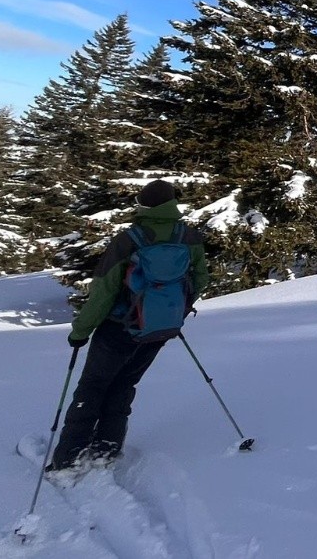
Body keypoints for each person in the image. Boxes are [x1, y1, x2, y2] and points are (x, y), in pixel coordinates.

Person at [49, 179, 209, 471]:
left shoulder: (129, 239)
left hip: (119, 327)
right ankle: (107, 448)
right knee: (124, 384)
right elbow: (200, 280)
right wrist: (173, 311)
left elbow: (104, 291)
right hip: (160, 329)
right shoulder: (188, 237)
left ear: (143, 205)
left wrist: (81, 331)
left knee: (92, 387)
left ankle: (68, 457)